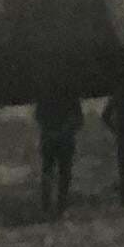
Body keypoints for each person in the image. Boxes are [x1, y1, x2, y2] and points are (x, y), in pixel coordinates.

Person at [33, 87, 82, 217]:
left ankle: (47, 205)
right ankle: (60, 205)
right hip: (64, 140)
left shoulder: (46, 96)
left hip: (50, 138)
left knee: (49, 172)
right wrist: (66, 130)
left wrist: (51, 131)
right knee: (63, 174)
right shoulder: (70, 97)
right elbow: (78, 120)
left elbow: (38, 117)